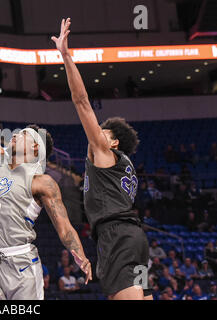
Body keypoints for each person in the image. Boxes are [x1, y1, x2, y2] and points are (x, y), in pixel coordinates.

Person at [0, 50, 91, 300]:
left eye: (23, 134)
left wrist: (79, 255)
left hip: (21, 264)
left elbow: (64, 226)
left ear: (35, 147)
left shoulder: (42, 182)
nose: (15, 134)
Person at [52, 17, 150, 300]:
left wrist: (66, 56)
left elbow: (81, 102)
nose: (95, 134)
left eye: (102, 132)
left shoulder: (106, 154)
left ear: (114, 141)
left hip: (117, 236)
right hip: (133, 239)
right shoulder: (122, 167)